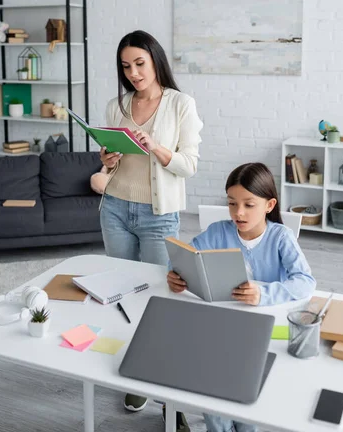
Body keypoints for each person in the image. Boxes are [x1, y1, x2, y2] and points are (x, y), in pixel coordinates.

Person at [100, 30, 202, 431]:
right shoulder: (117, 105)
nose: (134, 73)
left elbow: (188, 165)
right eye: (126, 66)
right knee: (122, 295)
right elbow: (112, 165)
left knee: (162, 300)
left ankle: (168, 396)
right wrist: (107, 157)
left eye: (140, 63)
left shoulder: (180, 105)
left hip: (159, 215)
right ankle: (135, 372)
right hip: (115, 209)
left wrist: (156, 146)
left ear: (156, 60)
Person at [167, 162, 316, 432]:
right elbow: (184, 256)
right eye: (232, 203)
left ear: (269, 205)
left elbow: (305, 282)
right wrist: (174, 274)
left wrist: (264, 293)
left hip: (262, 330)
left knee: (245, 403)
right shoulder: (218, 232)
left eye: (249, 205)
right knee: (211, 384)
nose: (239, 212)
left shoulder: (281, 237)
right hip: (221, 326)